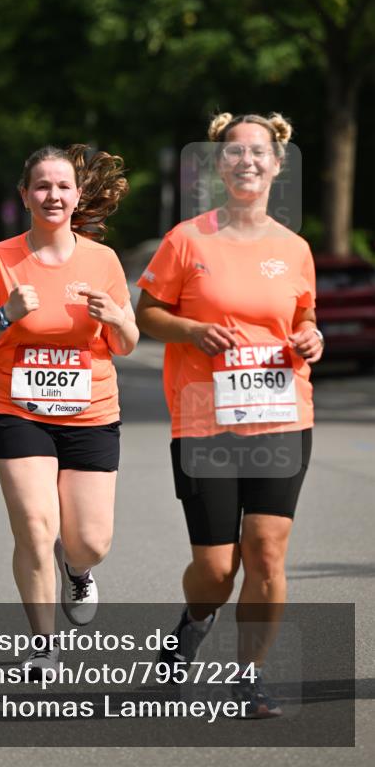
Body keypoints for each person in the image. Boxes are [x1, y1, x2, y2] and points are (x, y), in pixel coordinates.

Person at [135, 112, 323, 718]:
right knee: (217, 570)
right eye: (235, 153)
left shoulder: (294, 248)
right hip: (205, 418)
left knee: (267, 553)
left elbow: (303, 319)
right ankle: (192, 623)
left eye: (258, 153)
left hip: (281, 412)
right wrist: (190, 328)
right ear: (220, 165)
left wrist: (310, 338)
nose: (247, 162)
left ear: (277, 164)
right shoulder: (188, 239)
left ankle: (249, 677)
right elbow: (147, 313)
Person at [0, 144, 138, 677]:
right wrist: (3, 317)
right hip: (17, 410)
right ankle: (43, 646)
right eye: (42, 186)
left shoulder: (102, 261)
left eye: (62, 186)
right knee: (35, 527)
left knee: (90, 540)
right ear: (25, 195)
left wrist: (116, 319)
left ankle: (76, 568)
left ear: (77, 196)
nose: (52, 195)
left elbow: (126, 342)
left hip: (91, 412)